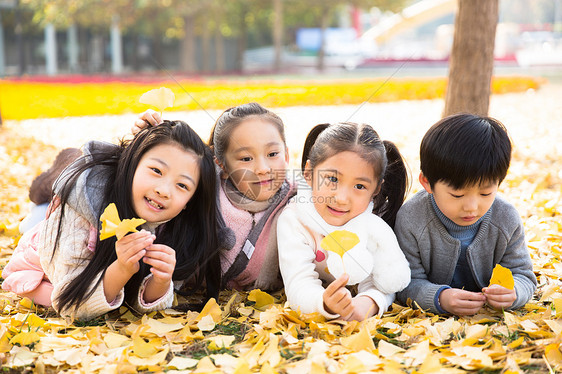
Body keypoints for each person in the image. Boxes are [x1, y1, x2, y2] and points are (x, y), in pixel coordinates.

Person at [2, 121, 220, 321]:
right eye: (156, 170)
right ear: (132, 164)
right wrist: (122, 269)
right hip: (46, 247)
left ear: (190, 202)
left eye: (182, 185)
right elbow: (70, 304)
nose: (163, 191)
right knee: (33, 222)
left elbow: (140, 303)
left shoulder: (177, 226)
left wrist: (161, 282)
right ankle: (49, 187)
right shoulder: (80, 215)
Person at [133, 103, 296, 291]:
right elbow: (174, 162)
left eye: (273, 154)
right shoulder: (204, 186)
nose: (262, 169)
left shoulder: (296, 198)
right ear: (222, 166)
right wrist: (143, 138)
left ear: (286, 155)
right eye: (246, 158)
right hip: (171, 278)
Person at [395, 113, 537, 316]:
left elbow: (523, 275)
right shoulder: (411, 218)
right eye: (457, 194)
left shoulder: (506, 219)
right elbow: (404, 282)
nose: (471, 207)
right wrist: (439, 298)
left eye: (485, 193)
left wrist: (514, 292)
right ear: (427, 182)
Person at [277, 122, 411, 321]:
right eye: (332, 179)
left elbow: (384, 280)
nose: (341, 198)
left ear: (375, 189)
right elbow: (298, 282)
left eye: (359, 185)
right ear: (309, 172)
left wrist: (367, 303)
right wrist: (323, 303)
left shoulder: (371, 223)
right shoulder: (295, 219)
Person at [19, 147, 82, 233]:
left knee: (33, 211)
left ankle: (31, 219)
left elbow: (35, 197)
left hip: (50, 218)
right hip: (57, 216)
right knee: (35, 206)